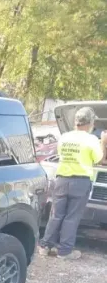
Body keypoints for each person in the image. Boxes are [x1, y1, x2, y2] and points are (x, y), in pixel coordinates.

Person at [38, 107, 107, 260]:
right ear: (90, 123)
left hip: (62, 180)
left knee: (56, 215)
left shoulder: (64, 137)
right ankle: (65, 251)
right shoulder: (91, 140)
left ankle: (45, 246)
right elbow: (99, 160)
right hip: (80, 182)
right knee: (71, 217)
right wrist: (103, 141)